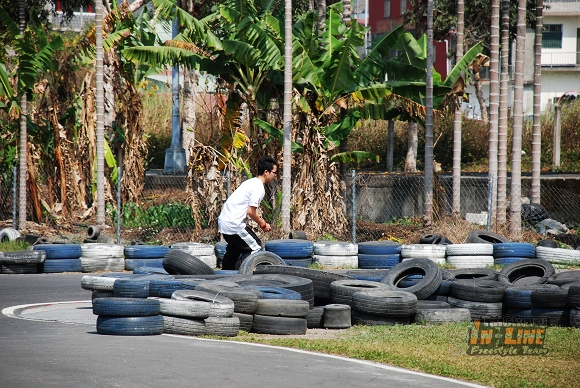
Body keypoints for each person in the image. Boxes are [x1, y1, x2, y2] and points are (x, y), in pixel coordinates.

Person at [218, 156, 278, 270]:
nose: (275, 175)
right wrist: (263, 224)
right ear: (266, 172)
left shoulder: (250, 182)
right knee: (255, 247)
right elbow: (251, 212)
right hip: (234, 224)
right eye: (274, 172)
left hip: (224, 223)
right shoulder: (258, 187)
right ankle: (243, 275)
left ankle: (225, 275)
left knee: (234, 250)